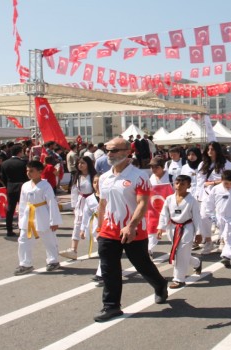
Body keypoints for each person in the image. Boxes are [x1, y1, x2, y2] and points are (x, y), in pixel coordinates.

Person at [94, 137, 168, 322]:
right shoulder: (104, 177)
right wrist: (99, 225)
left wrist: (132, 225)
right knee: (109, 268)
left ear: (127, 152)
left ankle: (160, 284)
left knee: (142, 264)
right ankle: (111, 306)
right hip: (109, 230)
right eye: (107, 150)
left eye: (114, 150)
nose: (109, 154)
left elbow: (143, 203)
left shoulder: (139, 176)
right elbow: (103, 204)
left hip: (133, 230)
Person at [14, 160, 63, 276]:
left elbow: (52, 203)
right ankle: (25, 263)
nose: (28, 173)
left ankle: (53, 260)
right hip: (28, 214)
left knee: (49, 238)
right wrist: (21, 221)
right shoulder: (25, 186)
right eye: (27, 171)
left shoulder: (45, 185)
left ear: (40, 171)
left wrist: (54, 220)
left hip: (42, 214)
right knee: (24, 239)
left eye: (31, 171)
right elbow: (22, 204)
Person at [156, 175, 202, 289]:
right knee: (180, 252)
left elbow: (197, 217)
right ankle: (196, 262)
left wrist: (199, 233)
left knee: (180, 254)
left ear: (188, 186)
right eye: (177, 183)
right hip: (173, 228)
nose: (179, 186)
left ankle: (179, 279)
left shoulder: (192, 200)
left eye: (182, 184)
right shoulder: (169, 199)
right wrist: (160, 227)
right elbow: (164, 213)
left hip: (187, 228)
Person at [195, 141, 231, 254]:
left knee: (221, 218)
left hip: (222, 194)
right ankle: (208, 241)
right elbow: (200, 181)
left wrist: (215, 182)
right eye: (208, 149)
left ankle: (223, 240)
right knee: (203, 217)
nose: (210, 151)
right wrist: (200, 192)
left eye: (212, 149)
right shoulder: (202, 164)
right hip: (206, 195)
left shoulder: (226, 164)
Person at [60, 156, 97, 260]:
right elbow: (74, 192)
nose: (80, 165)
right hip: (81, 202)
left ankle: (104, 246)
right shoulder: (77, 176)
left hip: (93, 202)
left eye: (83, 163)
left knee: (95, 224)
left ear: (88, 164)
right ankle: (73, 249)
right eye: (79, 163)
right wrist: (74, 206)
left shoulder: (94, 176)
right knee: (77, 224)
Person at [1, 145, 29, 237]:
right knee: (23, 209)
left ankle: (9, 229)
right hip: (22, 187)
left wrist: (7, 185)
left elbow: (3, 177)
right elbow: (27, 176)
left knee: (10, 209)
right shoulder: (23, 163)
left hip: (10, 187)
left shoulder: (4, 163)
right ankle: (22, 229)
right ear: (19, 152)